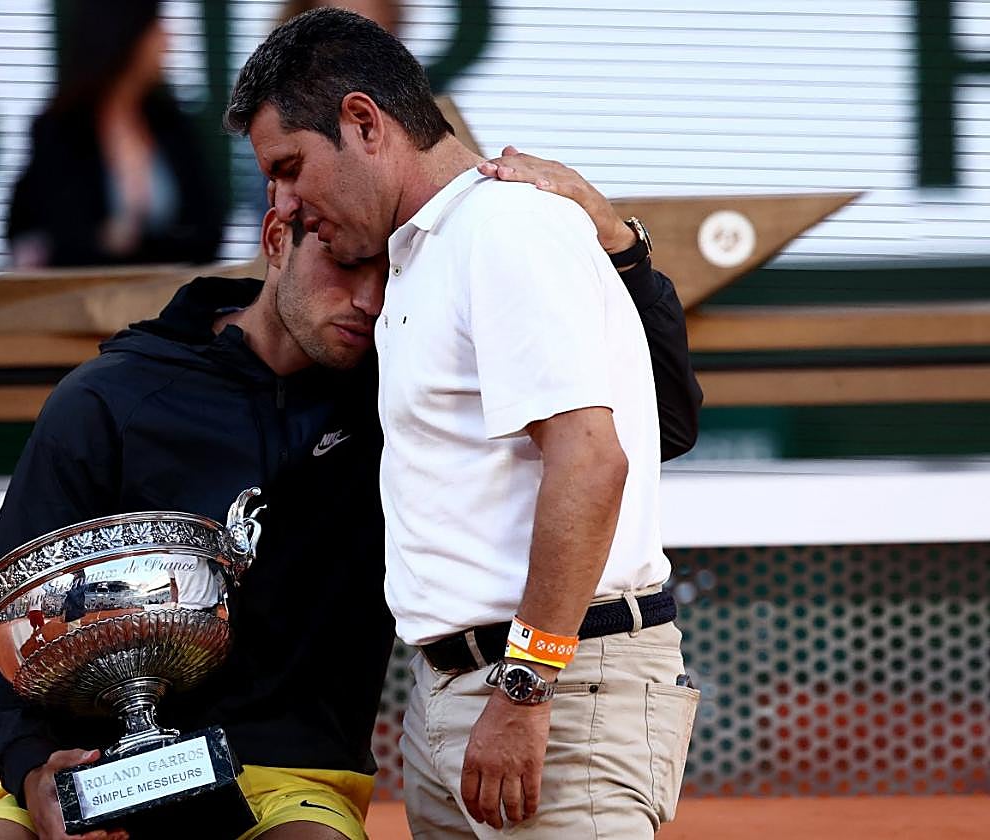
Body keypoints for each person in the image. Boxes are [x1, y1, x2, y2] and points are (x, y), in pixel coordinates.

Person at [0, 173, 698, 839]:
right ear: (277, 238)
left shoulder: (405, 397)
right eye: (345, 265)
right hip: (91, 765)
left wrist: (622, 248)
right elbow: (4, 609)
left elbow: (659, 424)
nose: (370, 301)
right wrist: (30, 771)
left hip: (292, 780)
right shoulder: (112, 395)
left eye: (390, 279)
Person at [226, 8, 699, 838]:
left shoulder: (502, 228)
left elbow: (593, 462)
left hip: (553, 691)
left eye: (291, 167)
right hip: (457, 696)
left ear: (363, 121)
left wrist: (525, 690)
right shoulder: (419, 254)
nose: (285, 200)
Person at [5, 0, 224, 269]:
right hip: (80, 303)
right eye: (156, 27)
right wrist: (160, 246)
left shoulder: (173, 124)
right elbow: (64, 240)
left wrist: (126, 244)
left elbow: (209, 230)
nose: (168, 40)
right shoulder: (60, 131)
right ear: (126, 35)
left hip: (170, 300)